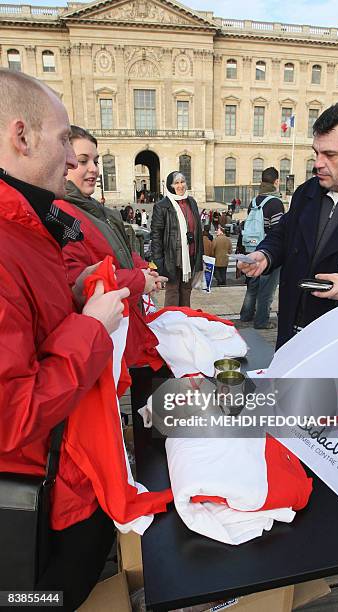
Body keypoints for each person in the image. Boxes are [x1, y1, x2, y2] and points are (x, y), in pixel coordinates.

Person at [0, 69, 129, 607]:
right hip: (37, 505)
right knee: (41, 602)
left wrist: (73, 298)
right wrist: (92, 328)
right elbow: (12, 414)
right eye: (62, 140)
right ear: (21, 136)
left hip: (65, 481)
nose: (74, 161)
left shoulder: (26, 225)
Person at [238, 101, 338, 349]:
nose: (317, 163)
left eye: (330, 155)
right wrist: (266, 255)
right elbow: (284, 234)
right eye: (316, 152)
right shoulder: (307, 192)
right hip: (292, 332)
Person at [56, 125, 166, 368]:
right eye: (82, 161)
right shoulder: (63, 214)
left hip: (122, 323)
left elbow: (121, 251)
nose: (94, 169)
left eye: (95, 160)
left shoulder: (93, 209)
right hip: (104, 332)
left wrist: (145, 270)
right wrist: (139, 280)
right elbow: (78, 283)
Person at [240, 167, 284, 329]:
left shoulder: (255, 201)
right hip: (267, 253)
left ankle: (246, 315)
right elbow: (278, 230)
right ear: (276, 181)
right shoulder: (276, 203)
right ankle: (261, 321)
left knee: (252, 285)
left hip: (252, 248)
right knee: (267, 288)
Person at [151, 171, 203, 307]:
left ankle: (185, 319)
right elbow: (156, 236)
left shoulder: (191, 202)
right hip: (172, 258)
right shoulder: (162, 206)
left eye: (182, 182)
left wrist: (199, 256)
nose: (180, 186)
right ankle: (172, 323)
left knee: (186, 290)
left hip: (190, 255)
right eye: (177, 183)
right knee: (173, 291)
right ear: (170, 186)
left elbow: (198, 230)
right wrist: (158, 262)